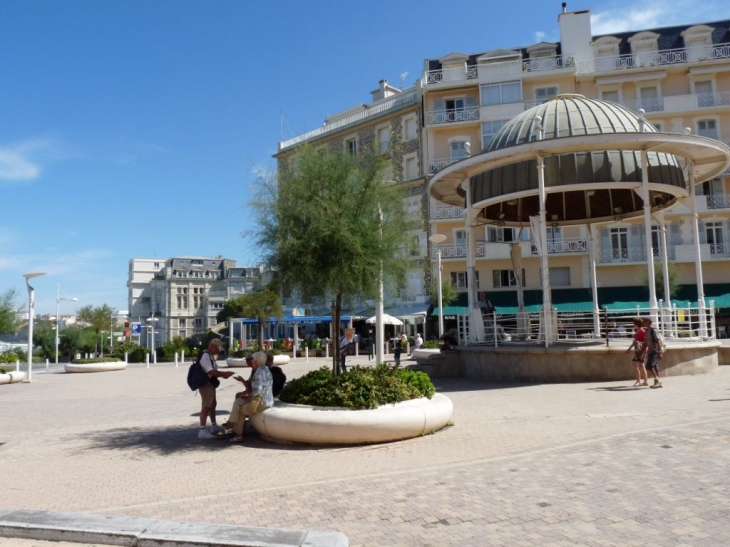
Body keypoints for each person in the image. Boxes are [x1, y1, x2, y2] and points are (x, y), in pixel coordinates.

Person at [221, 351, 273, 443]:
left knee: (241, 410)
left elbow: (257, 393)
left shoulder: (258, 373)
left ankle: (237, 434)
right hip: (263, 399)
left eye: (252, 360)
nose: (251, 361)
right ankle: (231, 427)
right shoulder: (264, 369)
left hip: (261, 402)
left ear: (256, 361)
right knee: (238, 402)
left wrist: (244, 394)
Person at [197, 338, 235, 440]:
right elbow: (210, 371)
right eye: (217, 348)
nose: (218, 350)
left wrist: (222, 374)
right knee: (206, 406)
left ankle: (214, 426)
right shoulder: (206, 356)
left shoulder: (210, 355)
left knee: (212, 404)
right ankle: (202, 430)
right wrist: (224, 374)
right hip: (206, 384)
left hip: (210, 384)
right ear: (211, 346)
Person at [625, 317, 648, 387]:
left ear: (636, 323)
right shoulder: (638, 331)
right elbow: (635, 342)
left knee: (637, 364)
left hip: (641, 350)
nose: (633, 324)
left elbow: (646, 341)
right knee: (640, 365)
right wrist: (629, 348)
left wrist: (640, 344)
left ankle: (641, 380)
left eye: (634, 323)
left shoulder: (642, 331)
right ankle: (643, 381)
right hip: (638, 350)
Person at [642, 317, 664, 388]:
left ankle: (657, 380)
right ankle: (657, 382)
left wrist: (660, 352)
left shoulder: (653, 330)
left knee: (649, 366)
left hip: (655, 350)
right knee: (654, 366)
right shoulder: (646, 331)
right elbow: (645, 343)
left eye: (644, 321)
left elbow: (658, 340)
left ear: (648, 322)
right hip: (650, 351)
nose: (643, 322)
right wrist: (643, 352)